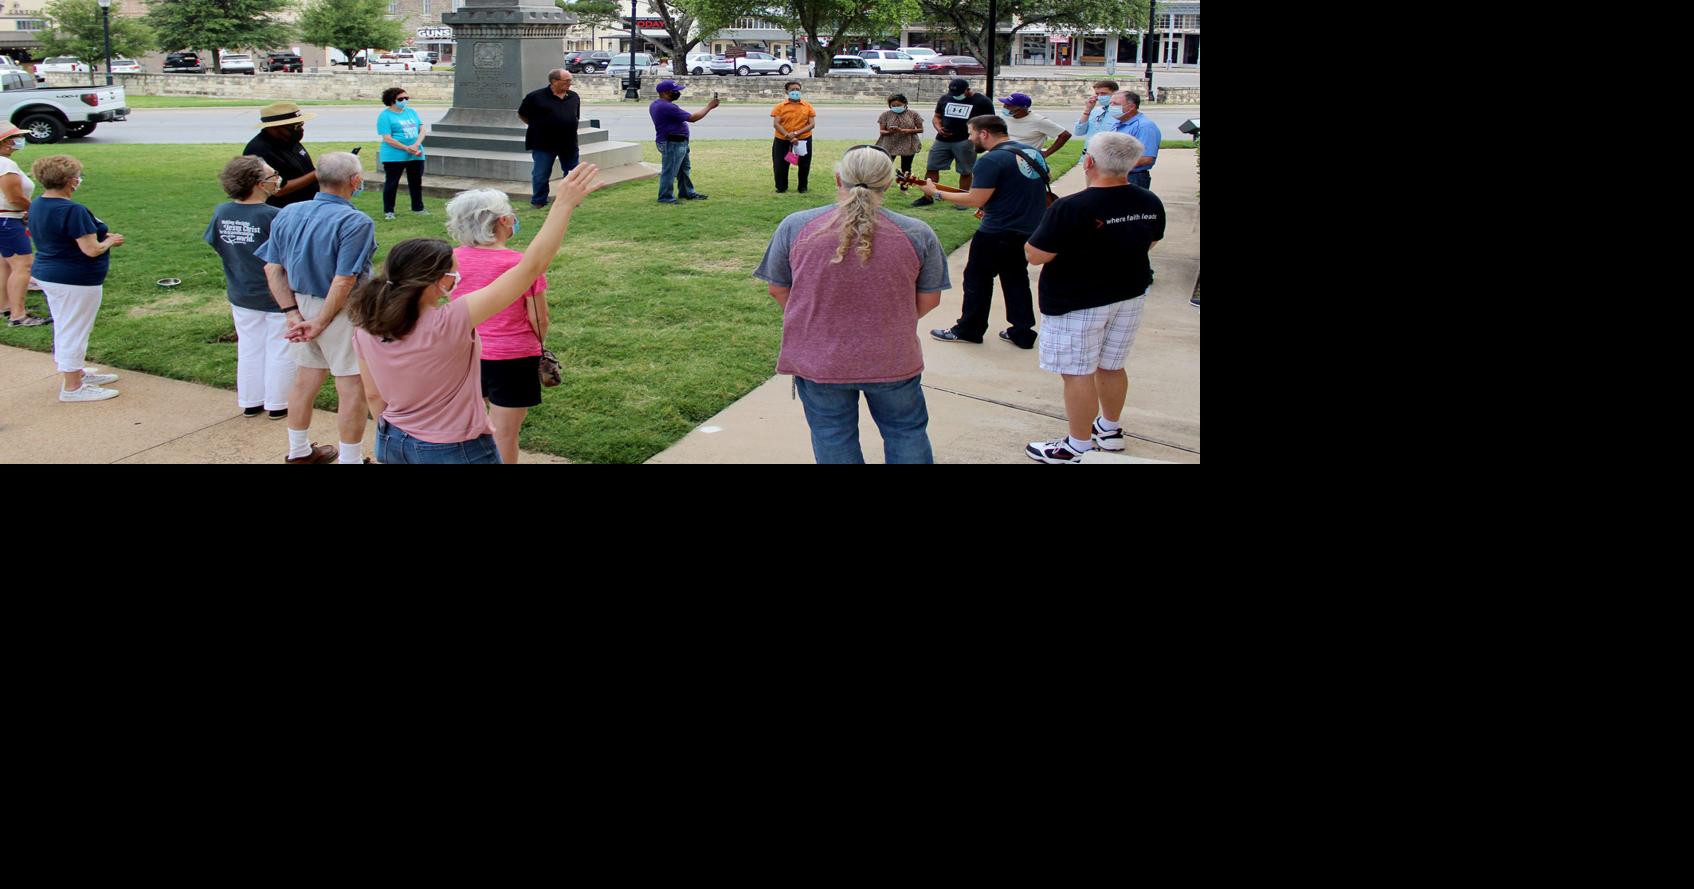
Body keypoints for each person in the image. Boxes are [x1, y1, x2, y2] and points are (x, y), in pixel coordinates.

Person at [350, 164, 604, 465]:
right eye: (453, 275)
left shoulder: (364, 329)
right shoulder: (451, 322)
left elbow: (373, 395)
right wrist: (563, 204)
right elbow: (531, 267)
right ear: (439, 282)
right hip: (454, 448)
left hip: (393, 441)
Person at [753, 145, 950, 464]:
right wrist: (890, 320)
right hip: (893, 358)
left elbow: (778, 289)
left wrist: (817, 321)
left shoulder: (796, 226)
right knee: (906, 432)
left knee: (832, 435)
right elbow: (930, 298)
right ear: (888, 184)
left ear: (837, 179)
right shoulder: (918, 233)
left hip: (820, 360)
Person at [1021, 133, 1165, 463]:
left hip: (1077, 300)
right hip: (1129, 293)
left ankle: (1077, 446)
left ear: (1089, 161)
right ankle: (1109, 430)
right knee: (1112, 365)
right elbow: (1150, 241)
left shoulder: (1071, 207)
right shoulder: (1149, 201)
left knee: (1077, 372)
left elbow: (1037, 255)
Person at [255, 152, 377, 464]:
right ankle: (350, 459)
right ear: (355, 181)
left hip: (299, 305)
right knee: (352, 386)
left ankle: (299, 452)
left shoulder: (288, 212)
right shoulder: (356, 221)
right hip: (342, 310)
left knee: (305, 379)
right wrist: (321, 321)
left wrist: (292, 314)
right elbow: (344, 278)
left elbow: (272, 268)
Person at [923, 114, 1049, 349]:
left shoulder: (991, 160)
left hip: (996, 231)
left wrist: (936, 193)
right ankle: (1022, 332)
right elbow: (1032, 184)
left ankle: (970, 329)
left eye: (971, 133)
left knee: (977, 279)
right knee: (1016, 278)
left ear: (984, 133)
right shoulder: (1031, 152)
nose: (970, 139)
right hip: (1027, 229)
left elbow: (975, 199)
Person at [443, 188, 548, 464]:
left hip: (463, 353)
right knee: (505, 433)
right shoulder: (520, 264)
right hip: (513, 356)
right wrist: (540, 343)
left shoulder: (449, 260)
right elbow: (538, 317)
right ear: (503, 220)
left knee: (467, 428)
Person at [205, 155, 296, 420]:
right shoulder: (274, 216)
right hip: (277, 296)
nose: (277, 179)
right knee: (281, 347)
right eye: (272, 176)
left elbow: (216, 242)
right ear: (258, 184)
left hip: (241, 291)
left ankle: (251, 400)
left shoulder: (222, 212)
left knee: (249, 346)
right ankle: (278, 402)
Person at [28, 154, 124, 402]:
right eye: (77, 176)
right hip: (74, 279)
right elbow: (91, 250)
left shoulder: (38, 204)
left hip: (49, 273)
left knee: (66, 324)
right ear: (71, 181)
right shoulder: (73, 210)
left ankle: (77, 372)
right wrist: (110, 241)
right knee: (75, 329)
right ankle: (72, 387)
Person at [910, 77, 993, 208]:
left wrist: (978, 138)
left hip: (965, 141)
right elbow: (937, 116)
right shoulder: (945, 98)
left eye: (959, 93)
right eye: (953, 93)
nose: (955, 96)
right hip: (942, 140)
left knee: (965, 171)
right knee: (932, 167)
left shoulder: (982, 101)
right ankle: (927, 197)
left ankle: (962, 200)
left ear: (967, 90)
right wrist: (939, 128)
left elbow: (990, 121)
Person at [0, 123, 46, 328]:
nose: (18, 141)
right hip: (8, 221)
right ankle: (18, 315)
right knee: (22, 265)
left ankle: (5, 306)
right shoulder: (5, 165)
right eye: (15, 137)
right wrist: (34, 209)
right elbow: (14, 197)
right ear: (5, 142)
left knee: (4, 264)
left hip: (5, 219)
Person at [517, 69, 581, 209]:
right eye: (567, 81)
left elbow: (575, 116)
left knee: (572, 173)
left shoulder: (574, 97)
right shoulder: (535, 97)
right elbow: (522, 114)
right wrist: (538, 125)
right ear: (554, 81)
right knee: (541, 174)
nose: (570, 83)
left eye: (570, 80)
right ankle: (539, 201)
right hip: (543, 143)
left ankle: (570, 199)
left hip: (569, 142)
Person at [648, 79, 719, 204]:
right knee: (670, 171)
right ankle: (665, 197)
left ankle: (687, 192)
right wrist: (709, 106)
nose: (677, 93)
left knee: (683, 170)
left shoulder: (656, 104)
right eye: (674, 91)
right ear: (665, 92)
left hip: (677, 142)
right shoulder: (667, 107)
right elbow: (692, 118)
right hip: (672, 143)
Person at [243, 101, 319, 209]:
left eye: (301, 124)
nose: (301, 129)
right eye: (296, 126)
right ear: (274, 127)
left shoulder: (289, 140)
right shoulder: (259, 150)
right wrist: (318, 173)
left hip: (305, 207)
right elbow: (278, 189)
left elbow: (303, 170)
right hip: (283, 212)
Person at [377, 85, 427, 221]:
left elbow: (422, 129)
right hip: (394, 156)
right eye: (401, 99)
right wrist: (406, 148)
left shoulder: (411, 112)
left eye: (406, 98)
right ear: (392, 100)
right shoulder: (385, 116)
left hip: (416, 154)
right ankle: (389, 211)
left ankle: (418, 208)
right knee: (392, 183)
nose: (405, 101)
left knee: (416, 182)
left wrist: (416, 145)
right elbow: (387, 138)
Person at [1099, 91, 1161, 189]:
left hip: (1132, 178)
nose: (1111, 107)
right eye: (1110, 103)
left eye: (1116, 104)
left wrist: (1114, 166)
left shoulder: (1144, 126)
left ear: (1131, 107)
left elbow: (1146, 159)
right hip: (1114, 176)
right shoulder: (1118, 123)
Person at [770, 80, 816, 194]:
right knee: (780, 164)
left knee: (804, 163)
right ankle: (781, 187)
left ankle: (802, 187)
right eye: (792, 90)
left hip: (803, 139)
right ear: (787, 92)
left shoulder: (807, 106)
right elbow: (776, 124)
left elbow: (811, 124)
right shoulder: (780, 107)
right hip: (782, 139)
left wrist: (795, 134)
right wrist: (788, 135)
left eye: (797, 89)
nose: (795, 92)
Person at [998, 93, 1071, 158]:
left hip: (1025, 160)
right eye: (1005, 104)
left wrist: (1045, 154)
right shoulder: (1004, 117)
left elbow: (1065, 135)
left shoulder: (1039, 121)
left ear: (1022, 108)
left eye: (1009, 106)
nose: (1005, 107)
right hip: (1003, 155)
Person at [875, 93, 924, 175]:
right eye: (893, 105)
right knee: (885, 167)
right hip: (889, 144)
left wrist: (905, 131)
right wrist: (890, 131)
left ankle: (904, 183)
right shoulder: (885, 115)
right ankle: (883, 182)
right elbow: (882, 131)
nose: (896, 107)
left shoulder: (913, 114)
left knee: (906, 168)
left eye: (899, 105)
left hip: (908, 144)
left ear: (905, 104)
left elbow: (921, 129)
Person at [1071, 79, 1120, 151]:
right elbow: (1079, 132)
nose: (1100, 97)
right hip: (1088, 154)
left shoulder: (1121, 114)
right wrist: (1088, 110)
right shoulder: (1095, 111)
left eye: (1103, 93)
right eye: (1097, 94)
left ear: (1115, 93)